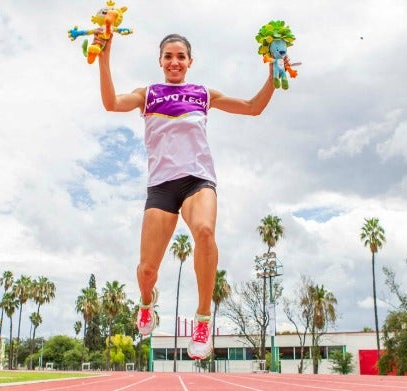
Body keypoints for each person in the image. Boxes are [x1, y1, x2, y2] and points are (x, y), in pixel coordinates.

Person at [98, 33, 275, 360]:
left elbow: (252, 108)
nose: (174, 62)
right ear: (160, 61)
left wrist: (273, 75)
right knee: (147, 270)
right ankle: (147, 302)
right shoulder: (147, 94)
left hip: (198, 180)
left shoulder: (203, 94)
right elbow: (111, 103)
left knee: (205, 232)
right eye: (168, 56)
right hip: (161, 187)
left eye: (181, 56)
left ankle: (203, 321)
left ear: (190, 61)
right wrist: (104, 57)